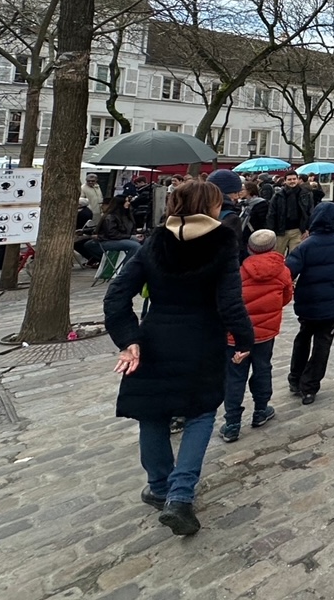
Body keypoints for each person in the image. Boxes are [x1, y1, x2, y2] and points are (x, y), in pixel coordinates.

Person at [103, 180, 255, 536]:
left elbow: (117, 295)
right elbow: (231, 302)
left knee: (152, 413)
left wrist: (129, 339)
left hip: (155, 337)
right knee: (200, 414)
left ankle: (159, 487)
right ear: (211, 207)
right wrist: (245, 340)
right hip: (202, 339)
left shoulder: (156, 239)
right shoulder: (222, 241)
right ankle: (180, 495)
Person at [220, 229, 293, 443]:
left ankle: (232, 423)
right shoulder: (283, 271)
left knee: (235, 376)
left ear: (250, 248)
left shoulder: (237, 272)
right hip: (265, 334)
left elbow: (226, 302)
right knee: (263, 369)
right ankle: (261, 410)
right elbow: (286, 297)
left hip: (236, 335)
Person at [285, 203, 334, 404]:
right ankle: (309, 386)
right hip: (331, 303)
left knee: (304, 338)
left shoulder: (306, 246)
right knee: (322, 344)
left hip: (308, 302)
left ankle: (295, 377)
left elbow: (288, 272)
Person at [270, 172, 313, 255]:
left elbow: (310, 212)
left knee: (296, 256)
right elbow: (272, 213)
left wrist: (307, 229)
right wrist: (271, 231)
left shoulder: (306, 194)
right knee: (277, 256)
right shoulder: (278, 195)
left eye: (294, 179)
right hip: (280, 230)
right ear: (285, 181)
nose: (292, 181)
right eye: (289, 179)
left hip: (298, 230)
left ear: (297, 180)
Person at [206, 169, 246, 252]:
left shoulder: (194, 210)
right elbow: (234, 250)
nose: (237, 197)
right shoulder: (231, 218)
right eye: (235, 192)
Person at [74, 198, 102, 266]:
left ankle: (90, 258)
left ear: (79, 205)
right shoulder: (88, 211)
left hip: (82, 233)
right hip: (85, 231)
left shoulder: (81, 214)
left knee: (76, 244)